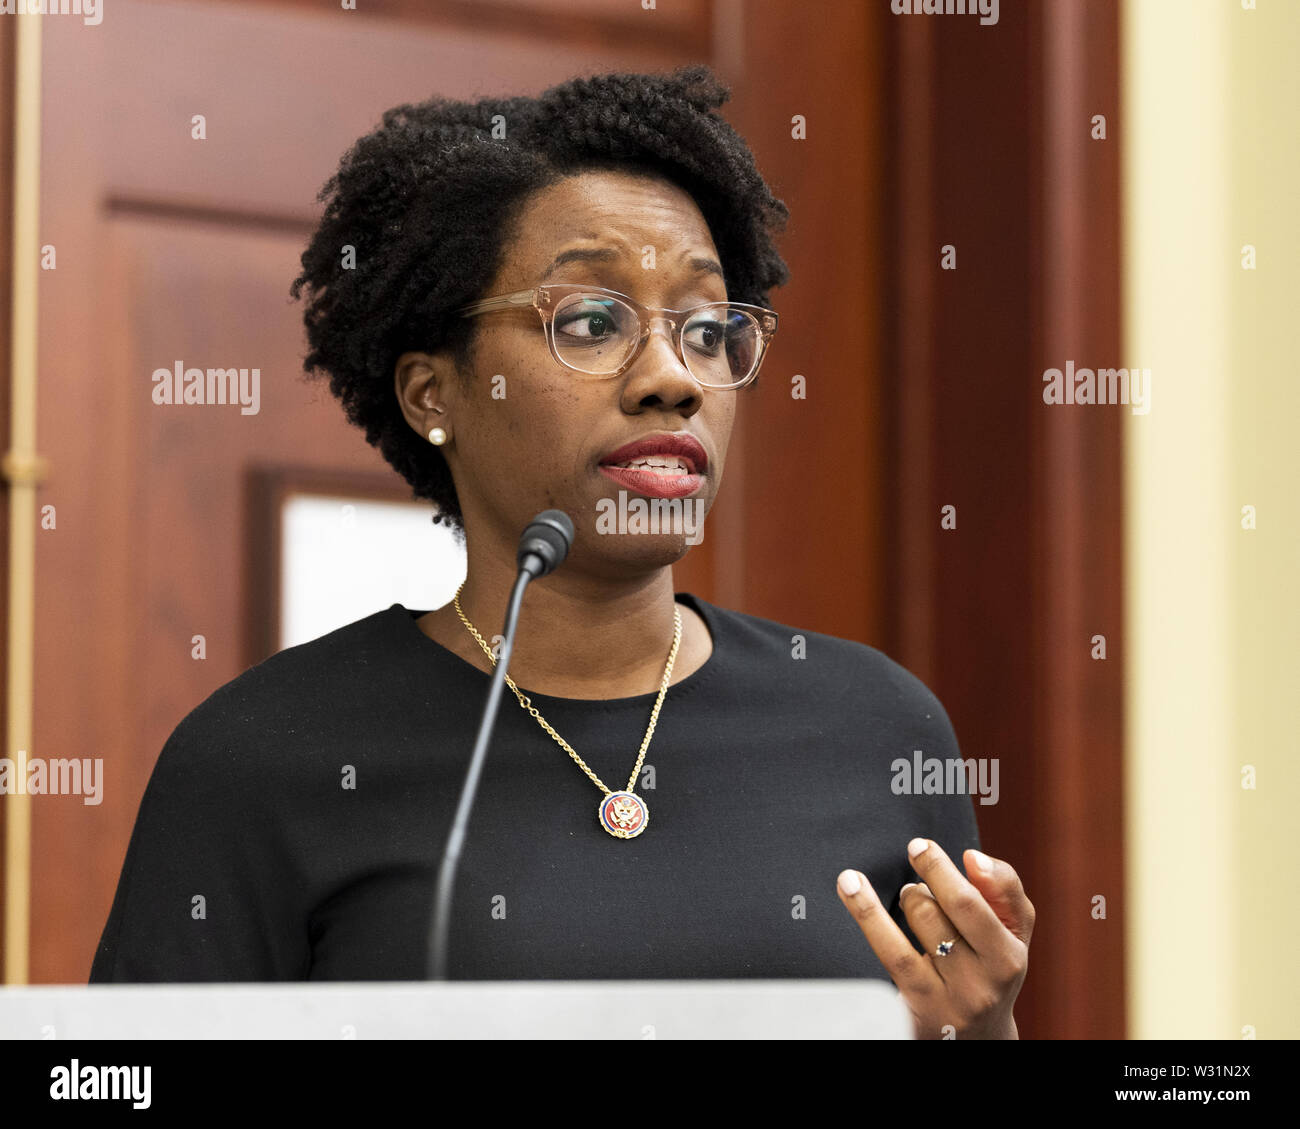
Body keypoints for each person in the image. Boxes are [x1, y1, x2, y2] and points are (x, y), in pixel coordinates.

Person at [90, 65, 1032, 1038]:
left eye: (708, 329)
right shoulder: (259, 760)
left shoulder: (873, 729)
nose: (673, 378)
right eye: (590, 321)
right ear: (432, 394)